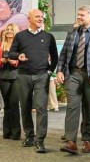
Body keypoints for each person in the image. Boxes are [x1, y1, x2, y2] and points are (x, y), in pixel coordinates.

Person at [57, 5, 90, 155]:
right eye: (78, 14)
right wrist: (59, 70)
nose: (79, 17)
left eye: (82, 15)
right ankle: (71, 141)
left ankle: (87, 140)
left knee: (89, 108)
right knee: (72, 106)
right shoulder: (72, 33)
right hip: (73, 74)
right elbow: (63, 54)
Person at [8, 9, 58, 153]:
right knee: (25, 107)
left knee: (41, 108)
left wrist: (49, 72)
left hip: (42, 76)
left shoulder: (48, 36)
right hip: (23, 76)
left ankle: (40, 140)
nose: (40, 19)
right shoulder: (20, 36)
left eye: (42, 17)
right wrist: (18, 56)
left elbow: (55, 57)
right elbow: (11, 53)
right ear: (29, 19)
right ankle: (29, 136)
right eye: (37, 17)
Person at [0, 23, 21, 140]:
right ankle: (7, 132)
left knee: (14, 104)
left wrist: (15, 62)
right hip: (4, 76)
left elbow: (24, 60)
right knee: (7, 105)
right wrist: (2, 60)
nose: (9, 31)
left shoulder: (20, 45)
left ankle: (16, 132)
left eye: (11, 29)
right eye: (7, 29)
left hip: (17, 76)